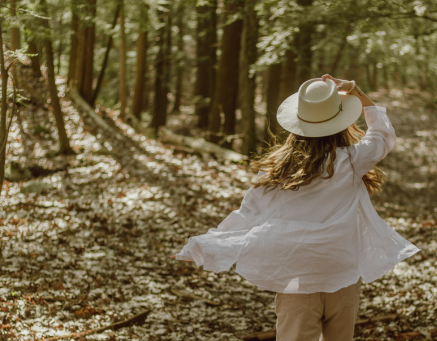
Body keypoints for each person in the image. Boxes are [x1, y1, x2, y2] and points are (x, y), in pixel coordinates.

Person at [172, 75, 419, 341]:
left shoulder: (278, 171)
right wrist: (356, 91)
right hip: (342, 277)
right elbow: (382, 134)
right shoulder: (352, 161)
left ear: (298, 125)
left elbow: (248, 216)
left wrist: (206, 244)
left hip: (297, 282)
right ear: (340, 122)